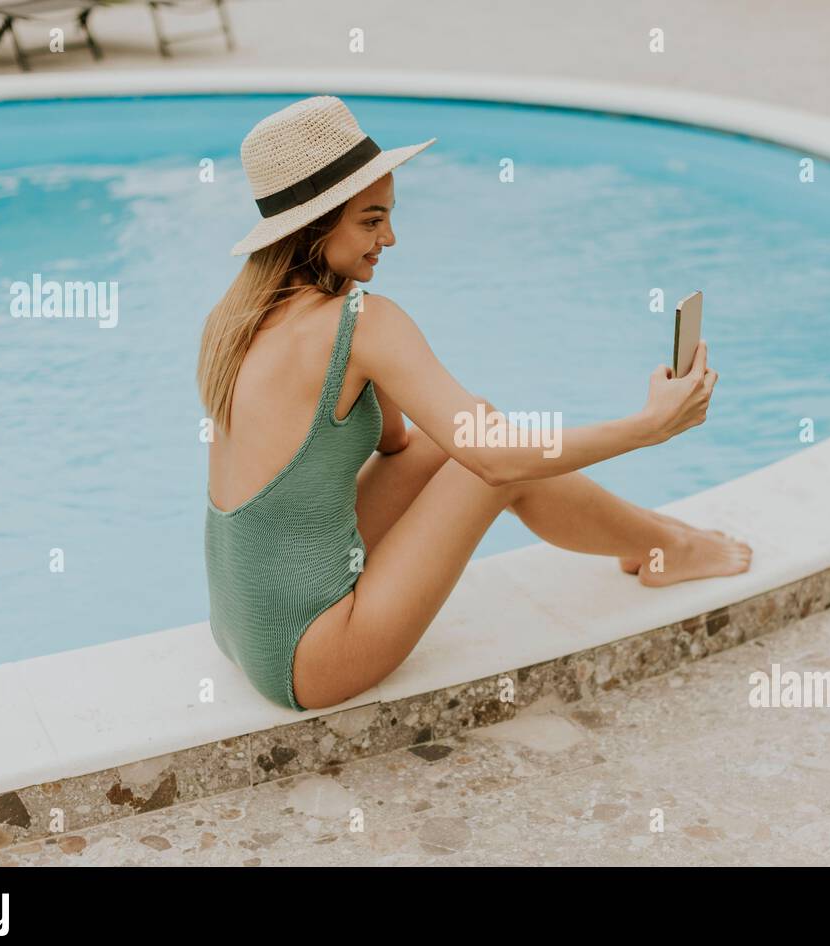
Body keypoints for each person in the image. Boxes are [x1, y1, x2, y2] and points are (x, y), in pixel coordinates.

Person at [197, 96, 752, 713]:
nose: (390, 238)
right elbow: (490, 462)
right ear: (315, 225)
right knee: (489, 466)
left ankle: (639, 537)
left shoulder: (234, 320)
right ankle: (664, 548)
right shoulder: (362, 322)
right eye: (370, 221)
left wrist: (388, 377)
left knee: (467, 432)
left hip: (244, 625)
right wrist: (649, 427)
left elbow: (400, 444)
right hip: (309, 656)